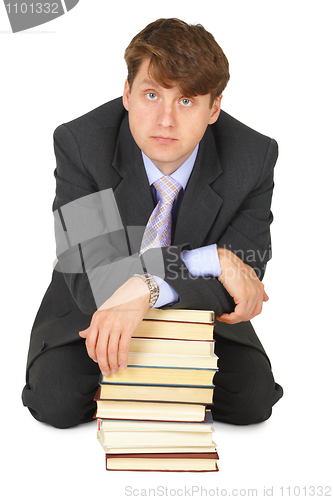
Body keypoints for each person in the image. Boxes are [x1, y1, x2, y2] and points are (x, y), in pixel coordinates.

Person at [22, 18, 283, 429]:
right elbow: (92, 280)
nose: (164, 120)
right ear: (126, 94)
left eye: (186, 101)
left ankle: (147, 382)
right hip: (91, 306)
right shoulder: (80, 143)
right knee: (56, 400)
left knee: (251, 401)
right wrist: (208, 259)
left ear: (213, 107)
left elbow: (243, 278)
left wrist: (149, 285)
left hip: (199, 315)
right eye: (151, 95)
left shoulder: (253, 157)